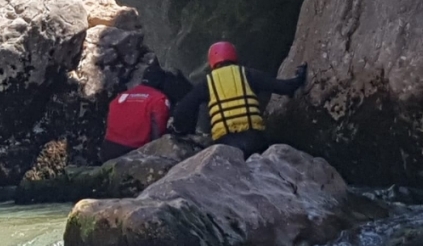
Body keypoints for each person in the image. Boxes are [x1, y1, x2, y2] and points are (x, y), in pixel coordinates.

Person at [172, 41, 307, 157]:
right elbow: (283, 87)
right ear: (234, 56)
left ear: (212, 61)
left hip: (226, 144)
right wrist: (299, 77)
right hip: (254, 140)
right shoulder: (247, 74)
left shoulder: (207, 83)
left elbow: (184, 108)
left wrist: (180, 129)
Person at [100, 64, 171, 161]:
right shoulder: (159, 99)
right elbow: (158, 126)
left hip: (109, 148)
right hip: (135, 151)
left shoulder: (122, 96)